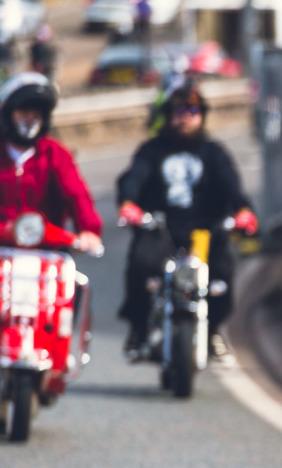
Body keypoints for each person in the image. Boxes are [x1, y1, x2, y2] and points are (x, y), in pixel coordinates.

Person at [116, 78, 257, 361]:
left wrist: (243, 210)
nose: (185, 119)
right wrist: (129, 204)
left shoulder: (213, 152)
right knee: (141, 268)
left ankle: (213, 330)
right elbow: (134, 179)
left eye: (192, 112)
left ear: (202, 116)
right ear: (168, 116)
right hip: (161, 229)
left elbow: (231, 185)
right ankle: (139, 330)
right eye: (179, 113)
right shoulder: (152, 150)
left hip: (203, 232)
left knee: (222, 276)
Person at [0, 73, 103, 254]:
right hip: (3, 252)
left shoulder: (55, 153)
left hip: (49, 253)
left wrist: (88, 230)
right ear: (8, 114)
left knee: (81, 283)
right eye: (24, 112)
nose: (30, 119)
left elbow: (76, 193)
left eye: (37, 114)